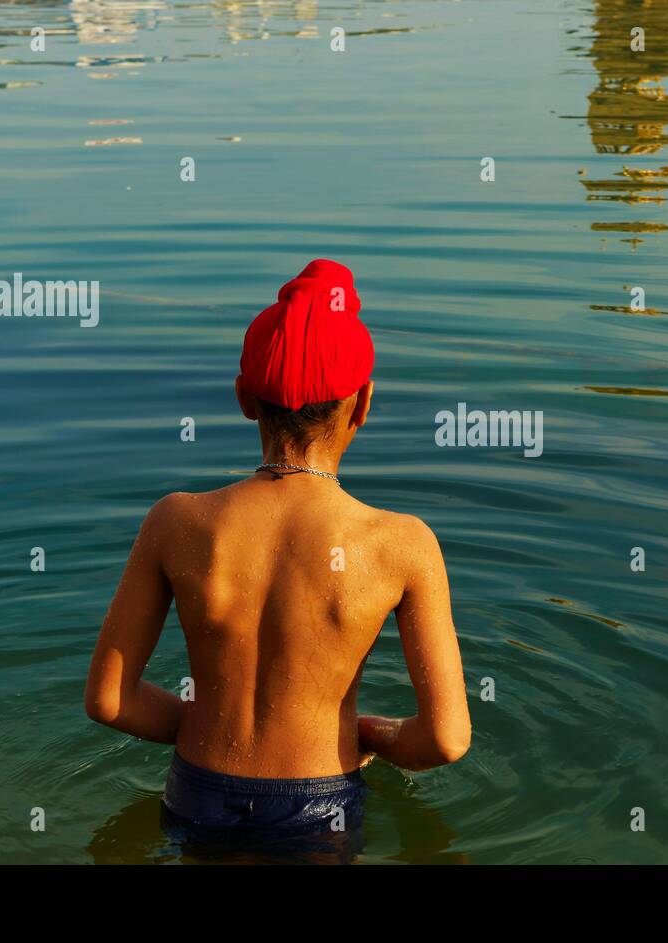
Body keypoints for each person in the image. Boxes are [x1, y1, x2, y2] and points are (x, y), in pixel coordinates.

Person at [84, 259, 471, 859]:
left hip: (197, 797)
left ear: (244, 398)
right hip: (320, 806)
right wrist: (369, 731)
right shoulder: (402, 544)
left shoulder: (177, 521)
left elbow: (109, 699)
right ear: (364, 403)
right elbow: (445, 740)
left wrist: (200, 724)